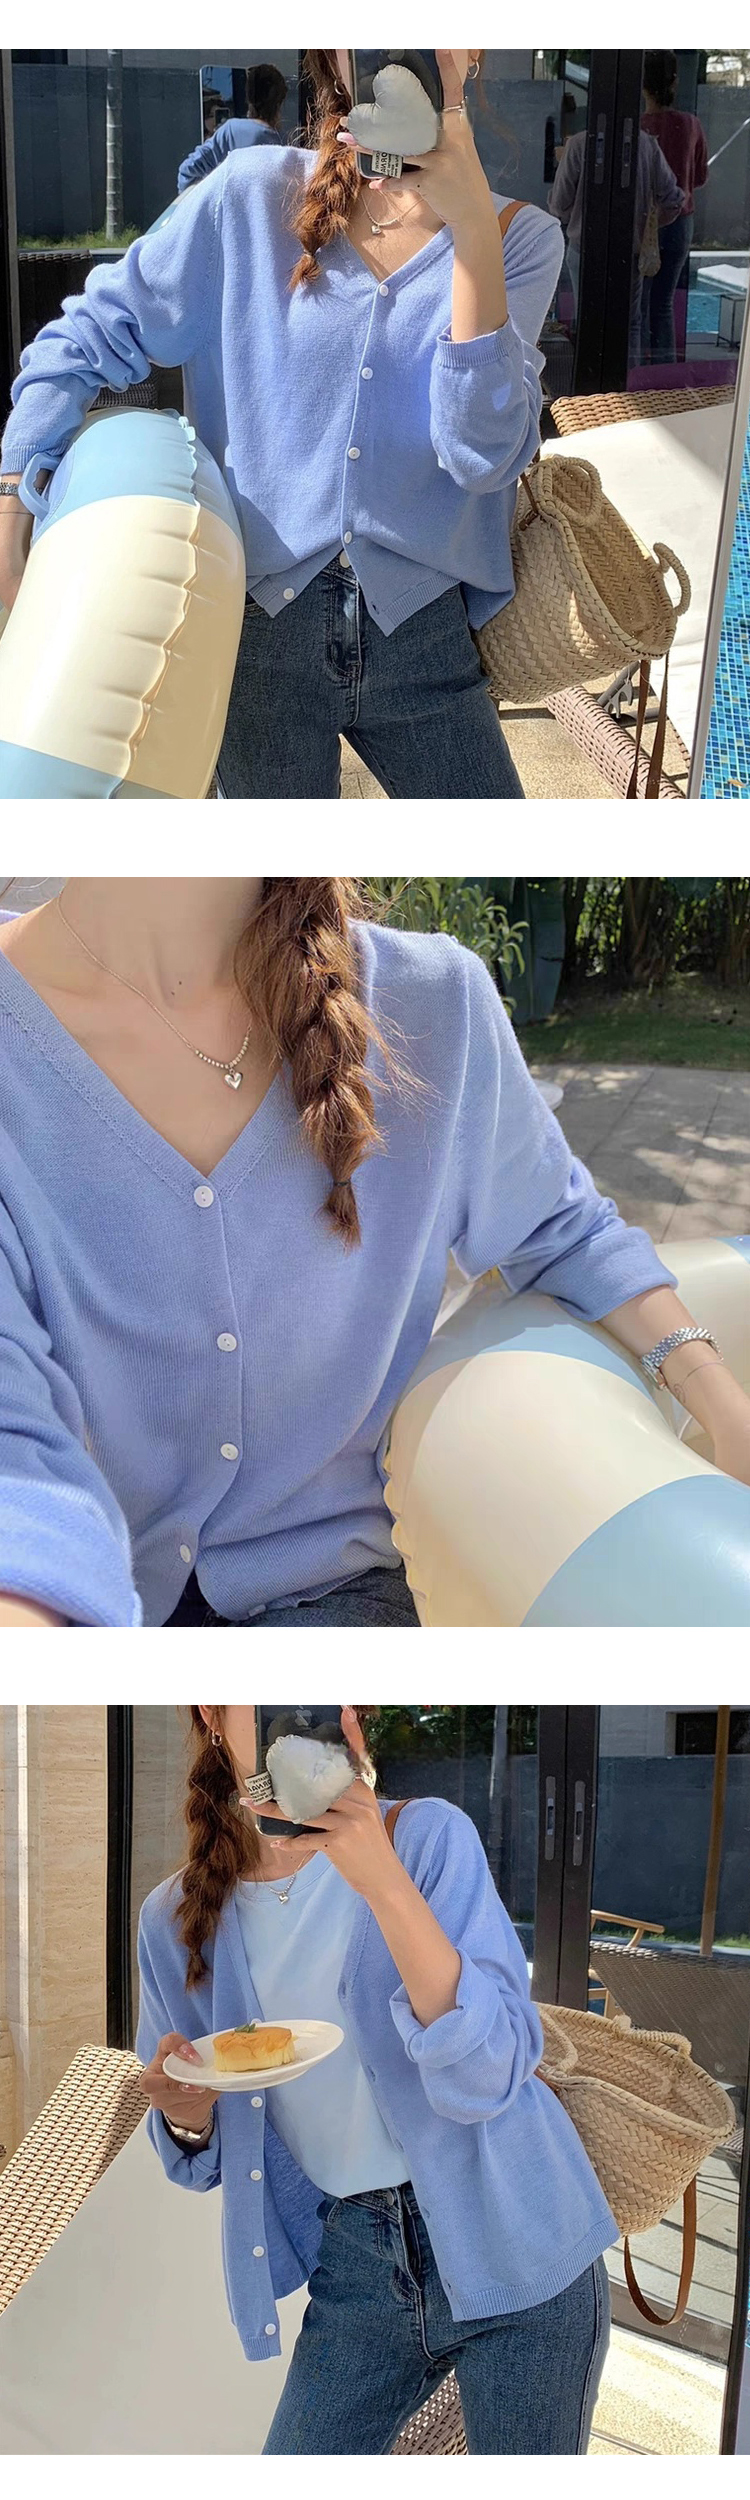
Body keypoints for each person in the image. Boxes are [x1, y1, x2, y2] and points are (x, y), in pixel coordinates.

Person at [2, 877, 750, 1631]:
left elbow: (561, 1228)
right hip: (87, 1589)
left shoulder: (431, 1002)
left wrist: (721, 1402)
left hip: (338, 1586)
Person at [0, 48, 565, 801]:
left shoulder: (520, 238)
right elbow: (89, 334)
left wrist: (472, 234)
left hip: (424, 631)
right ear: (334, 50)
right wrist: (13, 497)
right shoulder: (249, 196)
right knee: (274, 877)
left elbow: (482, 456)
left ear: (476, 47)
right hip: (256, 634)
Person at [137, 1704, 616, 2454]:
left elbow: (491, 2075)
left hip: (517, 2233)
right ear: (211, 1710)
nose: (301, 1706)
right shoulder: (173, 1917)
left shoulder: (426, 1837)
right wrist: (186, 2115)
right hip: (357, 2260)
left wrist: (384, 1884)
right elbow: (198, 2148)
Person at [548, 124, 683, 365]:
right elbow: (673, 200)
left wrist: (577, 216)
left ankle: (589, 382)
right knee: (630, 324)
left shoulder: (578, 144)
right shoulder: (647, 145)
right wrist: (647, 226)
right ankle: (630, 381)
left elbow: (559, 204)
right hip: (629, 249)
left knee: (588, 321)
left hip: (585, 248)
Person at [641, 52, 708, 366]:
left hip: (644, 224)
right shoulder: (691, 125)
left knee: (639, 304)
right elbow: (701, 176)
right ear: (674, 82)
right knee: (664, 303)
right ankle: (664, 374)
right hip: (681, 222)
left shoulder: (637, 129)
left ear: (642, 86)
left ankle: (636, 371)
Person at [177, 64, 288, 193]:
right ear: (280, 103)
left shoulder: (231, 131)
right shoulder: (287, 144)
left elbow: (188, 171)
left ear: (249, 98)